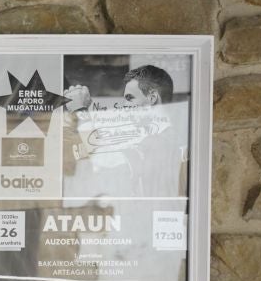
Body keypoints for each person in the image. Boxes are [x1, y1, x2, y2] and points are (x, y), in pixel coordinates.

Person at [63, 64, 184, 198]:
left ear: (152, 98)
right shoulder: (172, 138)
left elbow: (103, 160)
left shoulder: (159, 143)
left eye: (130, 98)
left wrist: (80, 111)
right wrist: (88, 108)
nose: (125, 105)